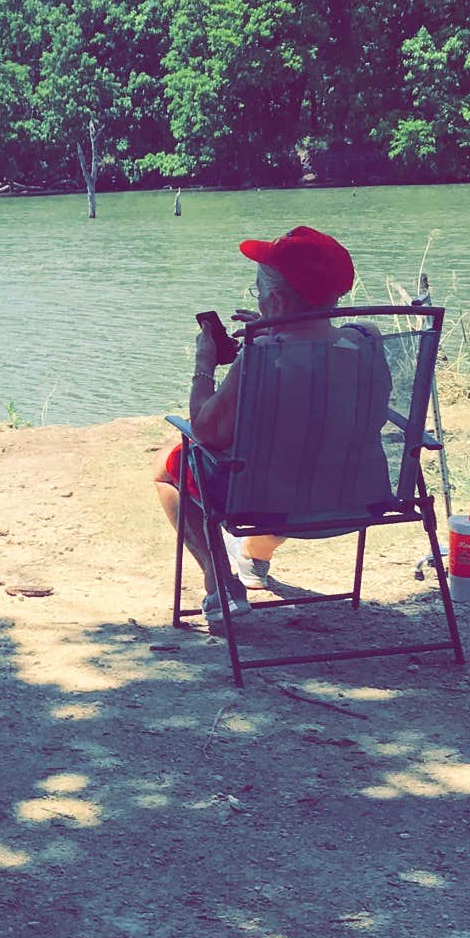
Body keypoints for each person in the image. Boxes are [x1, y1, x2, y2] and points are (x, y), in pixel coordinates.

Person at [152, 226, 383, 634]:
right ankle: (253, 559)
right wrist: (282, 325)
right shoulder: (366, 343)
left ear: (276, 300)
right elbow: (323, 354)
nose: (257, 297)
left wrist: (204, 364)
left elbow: (206, 432)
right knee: (297, 461)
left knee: (166, 467)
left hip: (266, 501)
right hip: (358, 496)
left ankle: (220, 583)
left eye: (260, 292)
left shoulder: (261, 357)